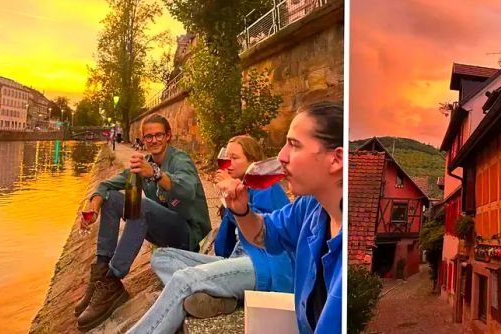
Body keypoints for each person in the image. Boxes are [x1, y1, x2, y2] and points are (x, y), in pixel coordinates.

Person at [126, 135, 294, 334]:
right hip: (237, 260)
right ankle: (221, 297)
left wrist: (234, 204)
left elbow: (266, 235)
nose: (228, 163)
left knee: (184, 279)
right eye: (226, 157)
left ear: (252, 161)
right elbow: (223, 249)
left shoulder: (265, 186)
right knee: (161, 256)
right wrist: (228, 203)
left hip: (264, 265)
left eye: (235, 158)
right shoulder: (237, 188)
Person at [75, 113, 211, 332]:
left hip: (189, 236)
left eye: (158, 135)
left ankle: (114, 277)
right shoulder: (144, 164)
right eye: (149, 137)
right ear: (143, 140)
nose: (154, 140)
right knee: (113, 199)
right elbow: (106, 185)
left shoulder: (180, 160)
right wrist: (94, 205)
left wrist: (156, 174)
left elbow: (186, 190)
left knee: (141, 207)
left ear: (168, 136)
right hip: (165, 233)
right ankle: (102, 274)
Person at [221, 101, 343, 334]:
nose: (281, 156)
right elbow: (266, 234)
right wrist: (241, 211)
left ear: (336, 159)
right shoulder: (309, 207)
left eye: (294, 145)